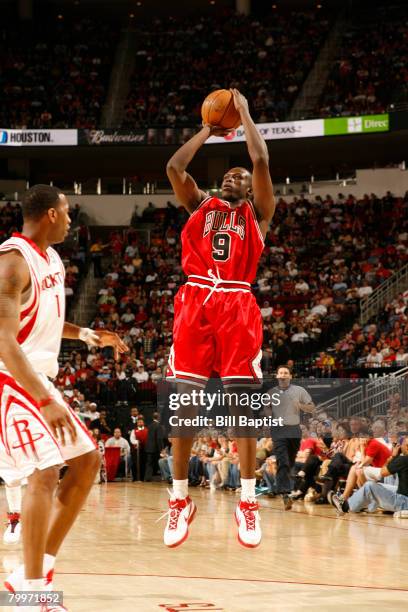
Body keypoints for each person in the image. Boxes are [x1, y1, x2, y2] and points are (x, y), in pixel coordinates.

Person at [0, 184, 128, 607]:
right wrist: (44, 398)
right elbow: (4, 341)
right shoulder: (12, 262)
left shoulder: (50, 258)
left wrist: (89, 335)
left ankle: (34, 571)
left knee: (87, 461)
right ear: (51, 214)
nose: (72, 218)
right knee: (44, 471)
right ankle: (34, 593)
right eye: (67, 211)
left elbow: (49, 321)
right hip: (10, 379)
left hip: (37, 378)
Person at [164, 89, 275, 548]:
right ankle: (178, 499)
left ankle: (247, 501)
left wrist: (245, 112)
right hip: (195, 301)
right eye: (228, 174)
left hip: (237, 304)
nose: (234, 176)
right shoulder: (199, 205)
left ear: (249, 189)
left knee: (242, 411)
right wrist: (208, 130)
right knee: (184, 409)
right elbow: (174, 168)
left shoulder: (258, 214)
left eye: (240, 175)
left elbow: (262, 160)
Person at [268, 366, 315, 510]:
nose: (283, 375)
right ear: (277, 376)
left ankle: (289, 488)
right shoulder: (271, 393)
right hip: (278, 429)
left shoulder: (299, 391)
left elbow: (311, 407)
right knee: (283, 459)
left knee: (290, 462)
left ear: (290, 376)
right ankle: (285, 493)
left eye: (285, 373)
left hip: (294, 430)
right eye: (280, 372)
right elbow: (266, 409)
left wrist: (299, 405)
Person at [333, 437, 408, 515]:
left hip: (404, 502)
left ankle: (345, 507)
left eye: (401, 445)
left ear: (407, 447)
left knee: (370, 486)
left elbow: (382, 472)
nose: (399, 446)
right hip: (404, 494)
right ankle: (368, 505)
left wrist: (393, 456)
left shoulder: (403, 460)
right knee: (379, 486)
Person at [144, 412, 164, 482]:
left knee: (149, 463)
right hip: (155, 448)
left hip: (148, 447)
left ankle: (147, 477)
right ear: (159, 417)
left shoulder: (149, 426)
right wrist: (161, 449)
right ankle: (160, 477)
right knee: (158, 462)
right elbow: (159, 439)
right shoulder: (159, 426)